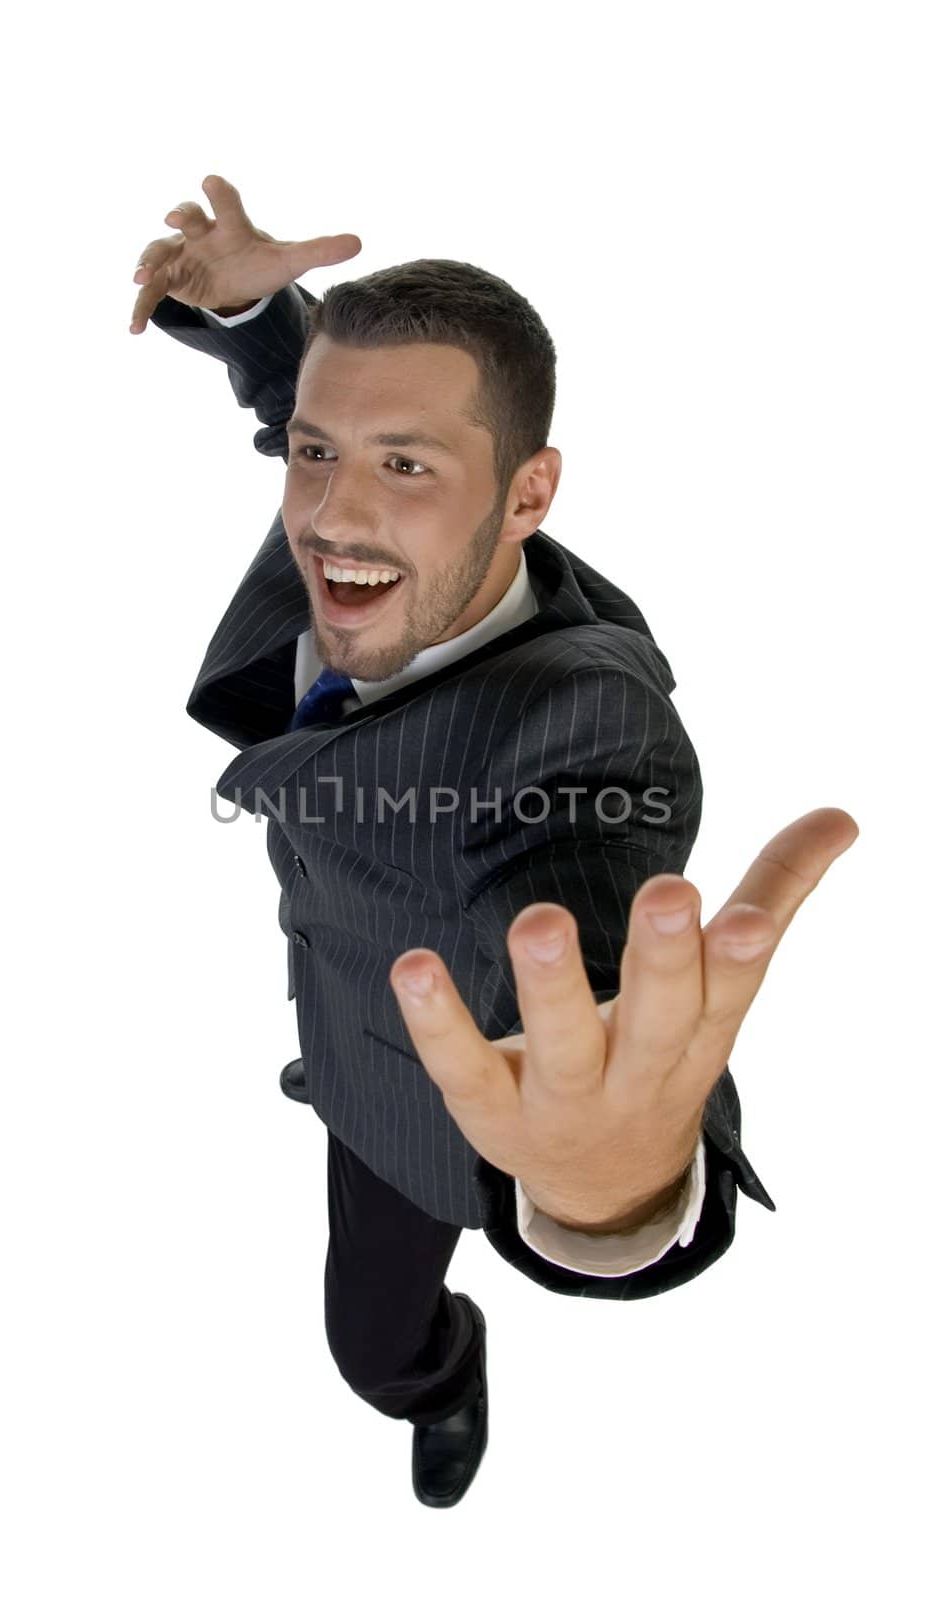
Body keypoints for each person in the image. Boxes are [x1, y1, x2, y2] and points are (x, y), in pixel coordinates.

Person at [129, 174, 858, 1509]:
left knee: (372, 1354)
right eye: (313, 454)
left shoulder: (581, 729)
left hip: (446, 1117)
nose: (332, 516)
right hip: (358, 1062)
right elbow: (316, 393)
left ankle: (438, 1375)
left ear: (529, 495)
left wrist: (620, 1189)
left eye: (405, 464)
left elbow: (590, 950)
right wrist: (245, 305)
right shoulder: (394, 533)